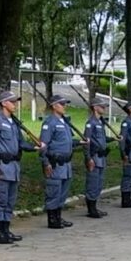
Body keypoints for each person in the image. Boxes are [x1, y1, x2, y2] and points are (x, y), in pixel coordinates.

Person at [0, 91, 43, 244]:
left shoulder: (14, 122)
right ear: (3, 103)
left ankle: (6, 230)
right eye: (12, 102)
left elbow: (21, 142)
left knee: (10, 201)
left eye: (15, 102)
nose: (15, 104)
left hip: (14, 167)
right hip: (1, 166)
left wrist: (33, 147)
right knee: (1, 201)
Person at [40, 94, 85, 228]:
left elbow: (67, 141)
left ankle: (58, 216)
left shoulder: (64, 122)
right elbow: (43, 145)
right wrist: (45, 162)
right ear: (54, 106)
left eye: (65, 104)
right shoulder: (49, 123)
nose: (65, 106)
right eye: (62, 104)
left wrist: (79, 142)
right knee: (54, 191)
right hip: (55, 163)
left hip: (66, 164)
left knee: (62, 192)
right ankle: (52, 219)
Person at [83, 97, 117, 218]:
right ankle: (91, 209)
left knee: (99, 183)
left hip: (102, 157)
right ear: (95, 107)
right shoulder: (90, 123)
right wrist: (88, 158)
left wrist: (113, 138)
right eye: (102, 106)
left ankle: (95, 206)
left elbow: (101, 139)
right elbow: (86, 142)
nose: (104, 108)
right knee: (92, 183)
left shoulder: (100, 122)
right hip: (94, 157)